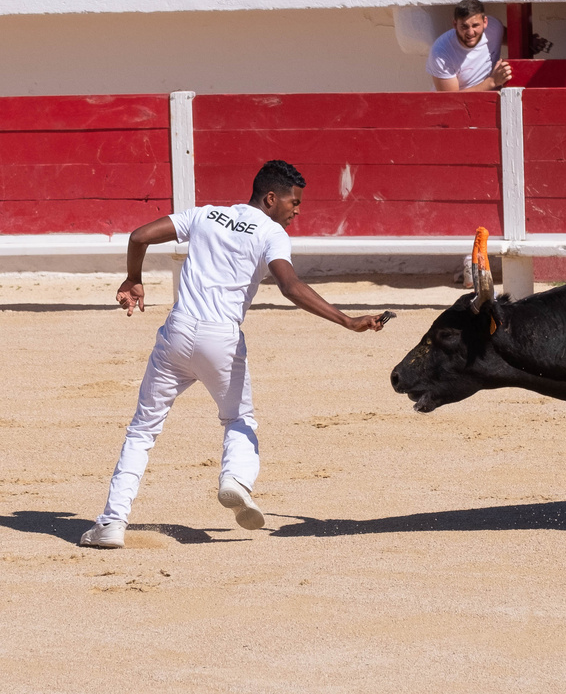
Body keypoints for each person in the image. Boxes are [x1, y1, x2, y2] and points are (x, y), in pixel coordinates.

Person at [79, 159, 391, 549]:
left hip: (177, 332)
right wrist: (346, 320)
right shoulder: (271, 234)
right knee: (239, 419)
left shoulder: (206, 215)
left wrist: (134, 278)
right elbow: (290, 286)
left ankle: (111, 523)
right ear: (271, 198)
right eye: (294, 202)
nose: (298, 209)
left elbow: (139, 235)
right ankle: (235, 480)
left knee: (142, 430)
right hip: (221, 340)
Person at [427, 0, 511, 90]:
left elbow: (517, 40)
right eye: (464, 26)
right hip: (461, 104)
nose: (470, 33)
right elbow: (451, 99)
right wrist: (492, 81)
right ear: (455, 24)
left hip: (493, 101)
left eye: (475, 25)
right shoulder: (441, 52)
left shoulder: (495, 28)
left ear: (485, 22)